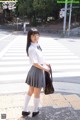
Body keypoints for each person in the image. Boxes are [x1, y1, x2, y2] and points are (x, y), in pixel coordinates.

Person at [22, 28, 50, 117]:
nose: (35, 37)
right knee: (36, 92)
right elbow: (35, 63)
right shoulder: (31, 48)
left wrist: (46, 63)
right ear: (29, 37)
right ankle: (35, 110)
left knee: (30, 91)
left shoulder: (36, 45)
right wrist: (45, 69)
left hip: (35, 71)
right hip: (37, 71)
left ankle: (24, 110)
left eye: (37, 35)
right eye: (33, 35)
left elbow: (39, 59)